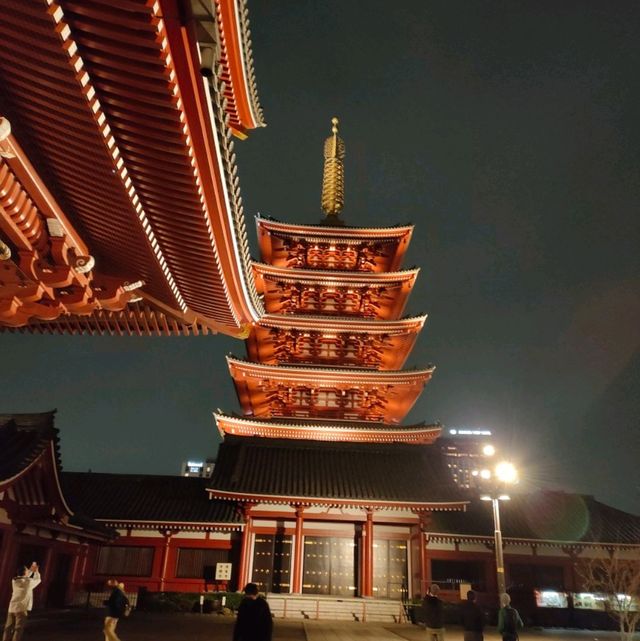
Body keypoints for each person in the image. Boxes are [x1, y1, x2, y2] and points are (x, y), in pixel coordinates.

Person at [2, 562, 41, 641]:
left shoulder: (14, 580)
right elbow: (38, 580)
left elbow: (24, 576)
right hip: (21, 609)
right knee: (18, 629)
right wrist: (36, 571)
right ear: (25, 572)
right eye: (27, 570)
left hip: (12, 608)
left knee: (8, 628)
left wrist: (30, 570)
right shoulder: (28, 582)